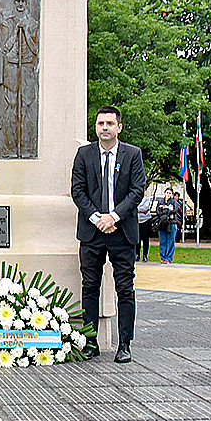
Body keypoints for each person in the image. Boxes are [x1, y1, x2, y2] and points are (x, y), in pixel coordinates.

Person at [71, 106, 146, 363]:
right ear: (96, 127)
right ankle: (90, 341)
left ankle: (124, 344)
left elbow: (137, 191)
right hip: (92, 232)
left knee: (125, 288)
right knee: (90, 286)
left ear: (119, 127)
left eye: (110, 124)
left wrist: (113, 217)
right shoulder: (84, 155)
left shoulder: (133, 155)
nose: (105, 128)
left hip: (121, 231)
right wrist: (98, 219)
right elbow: (77, 191)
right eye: (101, 123)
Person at [155, 188, 180, 264]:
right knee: (163, 241)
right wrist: (166, 211)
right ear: (164, 193)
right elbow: (158, 211)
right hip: (162, 223)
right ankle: (163, 257)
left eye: (170, 193)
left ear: (172, 194)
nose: (168, 194)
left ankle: (168, 258)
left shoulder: (174, 202)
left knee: (170, 241)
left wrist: (166, 210)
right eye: (167, 192)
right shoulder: (160, 201)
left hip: (171, 223)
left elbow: (175, 210)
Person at [135, 195, 152, 262]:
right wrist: (140, 209)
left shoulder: (147, 199)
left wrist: (138, 209)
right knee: (137, 239)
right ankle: (137, 255)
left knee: (145, 239)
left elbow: (145, 208)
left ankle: (145, 255)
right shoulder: (136, 198)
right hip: (137, 221)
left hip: (146, 221)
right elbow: (133, 207)